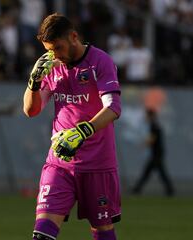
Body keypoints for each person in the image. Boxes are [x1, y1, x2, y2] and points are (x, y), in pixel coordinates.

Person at [23, 13, 122, 240]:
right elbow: (31, 110)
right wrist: (33, 82)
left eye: (58, 48)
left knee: (102, 232)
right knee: (41, 235)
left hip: (97, 164)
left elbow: (113, 108)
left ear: (74, 37)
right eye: (50, 50)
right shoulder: (53, 65)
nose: (54, 55)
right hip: (60, 163)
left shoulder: (100, 61)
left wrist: (82, 131)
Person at [132, 108, 174, 196]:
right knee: (156, 172)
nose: (145, 117)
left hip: (156, 154)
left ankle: (137, 189)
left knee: (150, 172)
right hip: (157, 153)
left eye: (147, 116)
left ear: (151, 116)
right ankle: (170, 190)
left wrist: (142, 145)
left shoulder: (154, 126)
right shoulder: (155, 125)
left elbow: (152, 139)